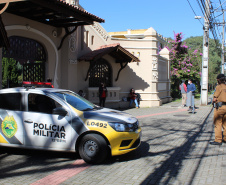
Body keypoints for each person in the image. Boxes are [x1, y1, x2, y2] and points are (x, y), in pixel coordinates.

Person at [210, 74, 226, 145]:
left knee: (218, 123)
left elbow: (215, 98)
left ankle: (218, 140)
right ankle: (225, 139)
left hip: (220, 107)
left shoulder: (219, 87)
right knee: (225, 124)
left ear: (218, 80)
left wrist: (213, 102)